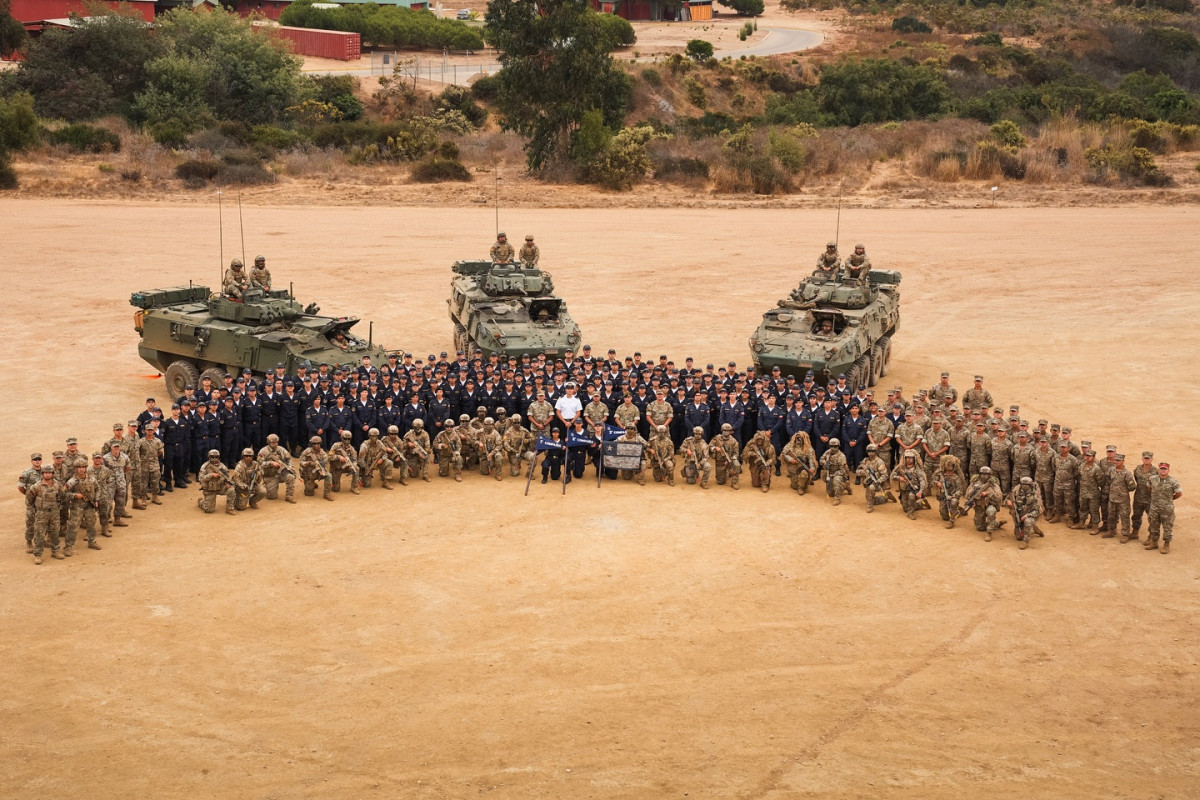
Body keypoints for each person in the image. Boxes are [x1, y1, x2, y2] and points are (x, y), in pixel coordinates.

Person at [27, 467, 63, 564]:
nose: (47, 474)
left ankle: (55, 551)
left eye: (49, 473)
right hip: (41, 513)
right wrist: (37, 509)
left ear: (52, 473)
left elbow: (61, 496)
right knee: (39, 533)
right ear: (42, 474)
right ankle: (38, 554)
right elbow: (30, 499)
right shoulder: (36, 486)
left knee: (55, 532)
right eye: (45, 473)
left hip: (54, 513)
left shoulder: (57, 485)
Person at [1145, 462, 1181, 554]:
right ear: (1158, 469)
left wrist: (1170, 499)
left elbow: (1179, 493)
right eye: (1161, 468)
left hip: (1167, 509)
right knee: (1154, 525)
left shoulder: (1173, 481)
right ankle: (1154, 542)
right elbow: (1148, 488)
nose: (1163, 470)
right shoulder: (1152, 479)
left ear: (1168, 470)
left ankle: (1166, 544)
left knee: (1167, 526)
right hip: (1154, 507)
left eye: (1165, 469)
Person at [65, 463, 101, 555]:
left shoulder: (91, 479)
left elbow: (97, 489)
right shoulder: (71, 481)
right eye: (79, 467)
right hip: (77, 507)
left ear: (85, 468)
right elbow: (64, 493)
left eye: (83, 467)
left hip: (89, 505)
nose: (81, 469)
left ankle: (92, 541)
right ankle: (68, 546)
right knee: (73, 526)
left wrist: (96, 499)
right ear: (76, 469)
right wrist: (75, 495)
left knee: (91, 524)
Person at [966, 466, 1005, 541]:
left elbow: (999, 496)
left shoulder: (993, 483)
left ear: (990, 474)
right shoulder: (975, 482)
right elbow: (968, 493)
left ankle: (989, 532)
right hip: (979, 505)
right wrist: (972, 497)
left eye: (986, 474)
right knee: (979, 527)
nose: (984, 476)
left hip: (990, 504)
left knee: (991, 512)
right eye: (982, 474)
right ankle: (996, 524)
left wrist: (988, 493)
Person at [257, 433, 297, 502]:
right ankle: (265, 485)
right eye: (271, 442)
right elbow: (259, 464)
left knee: (291, 477)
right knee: (271, 497)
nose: (273, 444)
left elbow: (289, 460)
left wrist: (290, 467)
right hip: (270, 475)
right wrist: (271, 463)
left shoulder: (282, 450)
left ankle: (289, 496)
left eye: (275, 442)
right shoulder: (263, 451)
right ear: (268, 442)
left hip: (281, 473)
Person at [1007, 476, 1043, 549]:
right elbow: (1008, 497)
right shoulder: (1017, 490)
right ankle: (1034, 530)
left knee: (1028, 521)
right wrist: (1008, 501)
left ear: (1030, 485)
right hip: (1019, 514)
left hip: (1029, 515)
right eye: (1023, 484)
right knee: (1019, 537)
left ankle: (1025, 542)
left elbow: (1038, 510)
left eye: (1026, 485)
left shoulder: (1035, 494)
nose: (1024, 486)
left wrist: (1027, 516)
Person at [198, 449, 237, 515]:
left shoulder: (222, 466)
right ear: (209, 457)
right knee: (209, 510)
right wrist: (211, 475)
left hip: (220, 487)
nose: (214, 459)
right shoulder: (205, 466)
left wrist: (227, 483)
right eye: (212, 457)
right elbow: (201, 479)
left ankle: (229, 508)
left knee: (231, 489)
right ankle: (201, 502)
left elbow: (227, 477)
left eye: (216, 457)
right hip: (209, 489)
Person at [890, 449, 926, 519]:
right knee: (905, 508)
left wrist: (920, 492)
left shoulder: (917, 469)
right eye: (907, 458)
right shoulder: (901, 467)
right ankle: (920, 503)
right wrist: (899, 478)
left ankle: (911, 513)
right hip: (904, 490)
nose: (908, 460)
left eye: (910, 458)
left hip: (913, 490)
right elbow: (892, 476)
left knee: (911, 497)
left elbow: (923, 481)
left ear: (914, 458)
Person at [933, 454, 966, 528]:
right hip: (943, 496)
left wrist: (953, 496)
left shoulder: (957, 477)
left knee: (953, 502)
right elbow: (932, 481)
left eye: (951, 465)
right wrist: (937, 483)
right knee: (944, 516)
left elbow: (960, 490)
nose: (949, 466)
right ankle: (959, 510)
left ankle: (952, 520)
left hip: (952, 496)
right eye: (948, 465)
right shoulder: (940, 474)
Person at [856, 443, 892, 513]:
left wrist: (878, 481)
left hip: (879, 483)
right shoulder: (865, 461)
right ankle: (886, 497)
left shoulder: (879, 461)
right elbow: (857, 471)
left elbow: (885, 475)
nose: (871, 453)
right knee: (870, 498)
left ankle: (870, 506)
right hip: (868, 481)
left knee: (871, 488)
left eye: (873, 451)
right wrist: (863, 472)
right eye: (869, 451)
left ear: (875, 452)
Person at [781, 431, 817, 495]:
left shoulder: (808, 447)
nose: (798, 440)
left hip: (803, 467)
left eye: (800, 438)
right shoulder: (790, 445)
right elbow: (784, 453)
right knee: (794, 486)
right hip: (793, 467)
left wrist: (812, 467)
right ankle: (803, 481)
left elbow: (811, 459)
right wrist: (790, 459)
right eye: (797, 438)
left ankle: (801, 488)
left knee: (804, 474)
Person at [299, 436, 333, 500]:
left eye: (318, 444)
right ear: (312, 444)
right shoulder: (307, 451)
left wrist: (322, 470)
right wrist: (307, 463)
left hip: (319, 472)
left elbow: (325, 463)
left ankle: (327, 494)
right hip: (309, 474)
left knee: (329, 476)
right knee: (309, 494)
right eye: (314, 444)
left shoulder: (323, 453)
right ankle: (312, 483)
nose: (316, 445)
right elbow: (301, 461)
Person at [710, 423, 741, 490]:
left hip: (730, 460)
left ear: (730, 431)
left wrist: (731, 459)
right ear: (722, 430)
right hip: (720, 462)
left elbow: (736, 453)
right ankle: (726, 473)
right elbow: (709, 447)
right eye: (724, 430)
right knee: (720, 482)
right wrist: (715, 448)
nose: (726, 432)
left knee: (737, 465)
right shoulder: (717, 438)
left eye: (728, 431)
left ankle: (734, 482)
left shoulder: (734, 441)